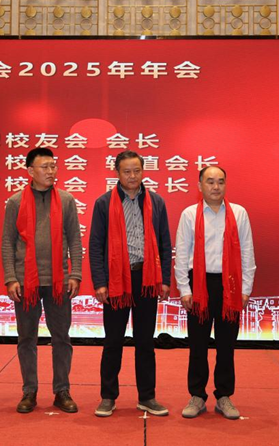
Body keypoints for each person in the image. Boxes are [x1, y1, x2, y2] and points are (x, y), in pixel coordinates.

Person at [89, 150, 172, 417]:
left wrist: (165, 280)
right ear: (117, 173)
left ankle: (147, 397)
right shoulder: (104, 203)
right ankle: (108, 397)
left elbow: (165, 242)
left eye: (137, 170)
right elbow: (96, 245)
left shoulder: (156, 202)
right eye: (127, 171)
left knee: (145, 341)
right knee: (113, 340)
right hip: (116, 280)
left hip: (146, 279)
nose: (133, 176)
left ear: (143, 171)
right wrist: (100, 282)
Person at [2, 147, 83, 414]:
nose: (51, 171)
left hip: (59, 281)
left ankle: (62, 390)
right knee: (27, 338)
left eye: (53, 166)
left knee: (62, 338)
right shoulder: (15, 202)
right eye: (44, 167)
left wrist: (76, 273)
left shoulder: (66, 200)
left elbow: (75, 239)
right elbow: (7, 242)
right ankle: (29, 391)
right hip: (26, 281)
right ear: (30, 171)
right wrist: (10, 278)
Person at [174, 166, 256, 420]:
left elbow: (247, 252)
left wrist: (245, 289)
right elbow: (182, 253)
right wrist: (184, 289)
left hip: (230, 286)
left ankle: (224, 396)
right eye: (210, 182)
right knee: (197, 345)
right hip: (199, 285)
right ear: (200, 186)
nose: (216, 187)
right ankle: (197, 395)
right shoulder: (189, 214)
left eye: (220, 181)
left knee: (226, 345)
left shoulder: (239, 213)